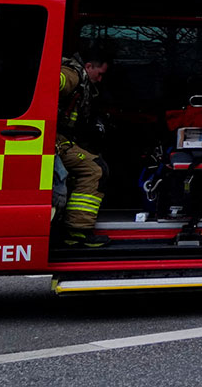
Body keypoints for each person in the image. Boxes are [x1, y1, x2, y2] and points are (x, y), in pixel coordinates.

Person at [57, 42, 113, 249]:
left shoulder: (83, 81)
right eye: (99, 73)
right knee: (95, 169)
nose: (100, 78)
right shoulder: (73, 74)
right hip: (54, 141)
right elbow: (54, 82)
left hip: (62, 138)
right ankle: (77, 231)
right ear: (88, 66)